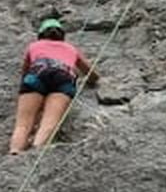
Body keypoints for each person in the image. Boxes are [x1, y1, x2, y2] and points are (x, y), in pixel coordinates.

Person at [9, 18, 99, 154]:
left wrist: (28, 90)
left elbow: (25, 71)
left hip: (37, 74)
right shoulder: (71, 48)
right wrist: (92, 80)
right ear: (62, 35)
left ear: (41, 34)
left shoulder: (34, 46)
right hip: (64, 77)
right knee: (50, 122)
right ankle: (37, 150)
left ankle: (15, 150)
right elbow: (91, 73)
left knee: (23, 124)